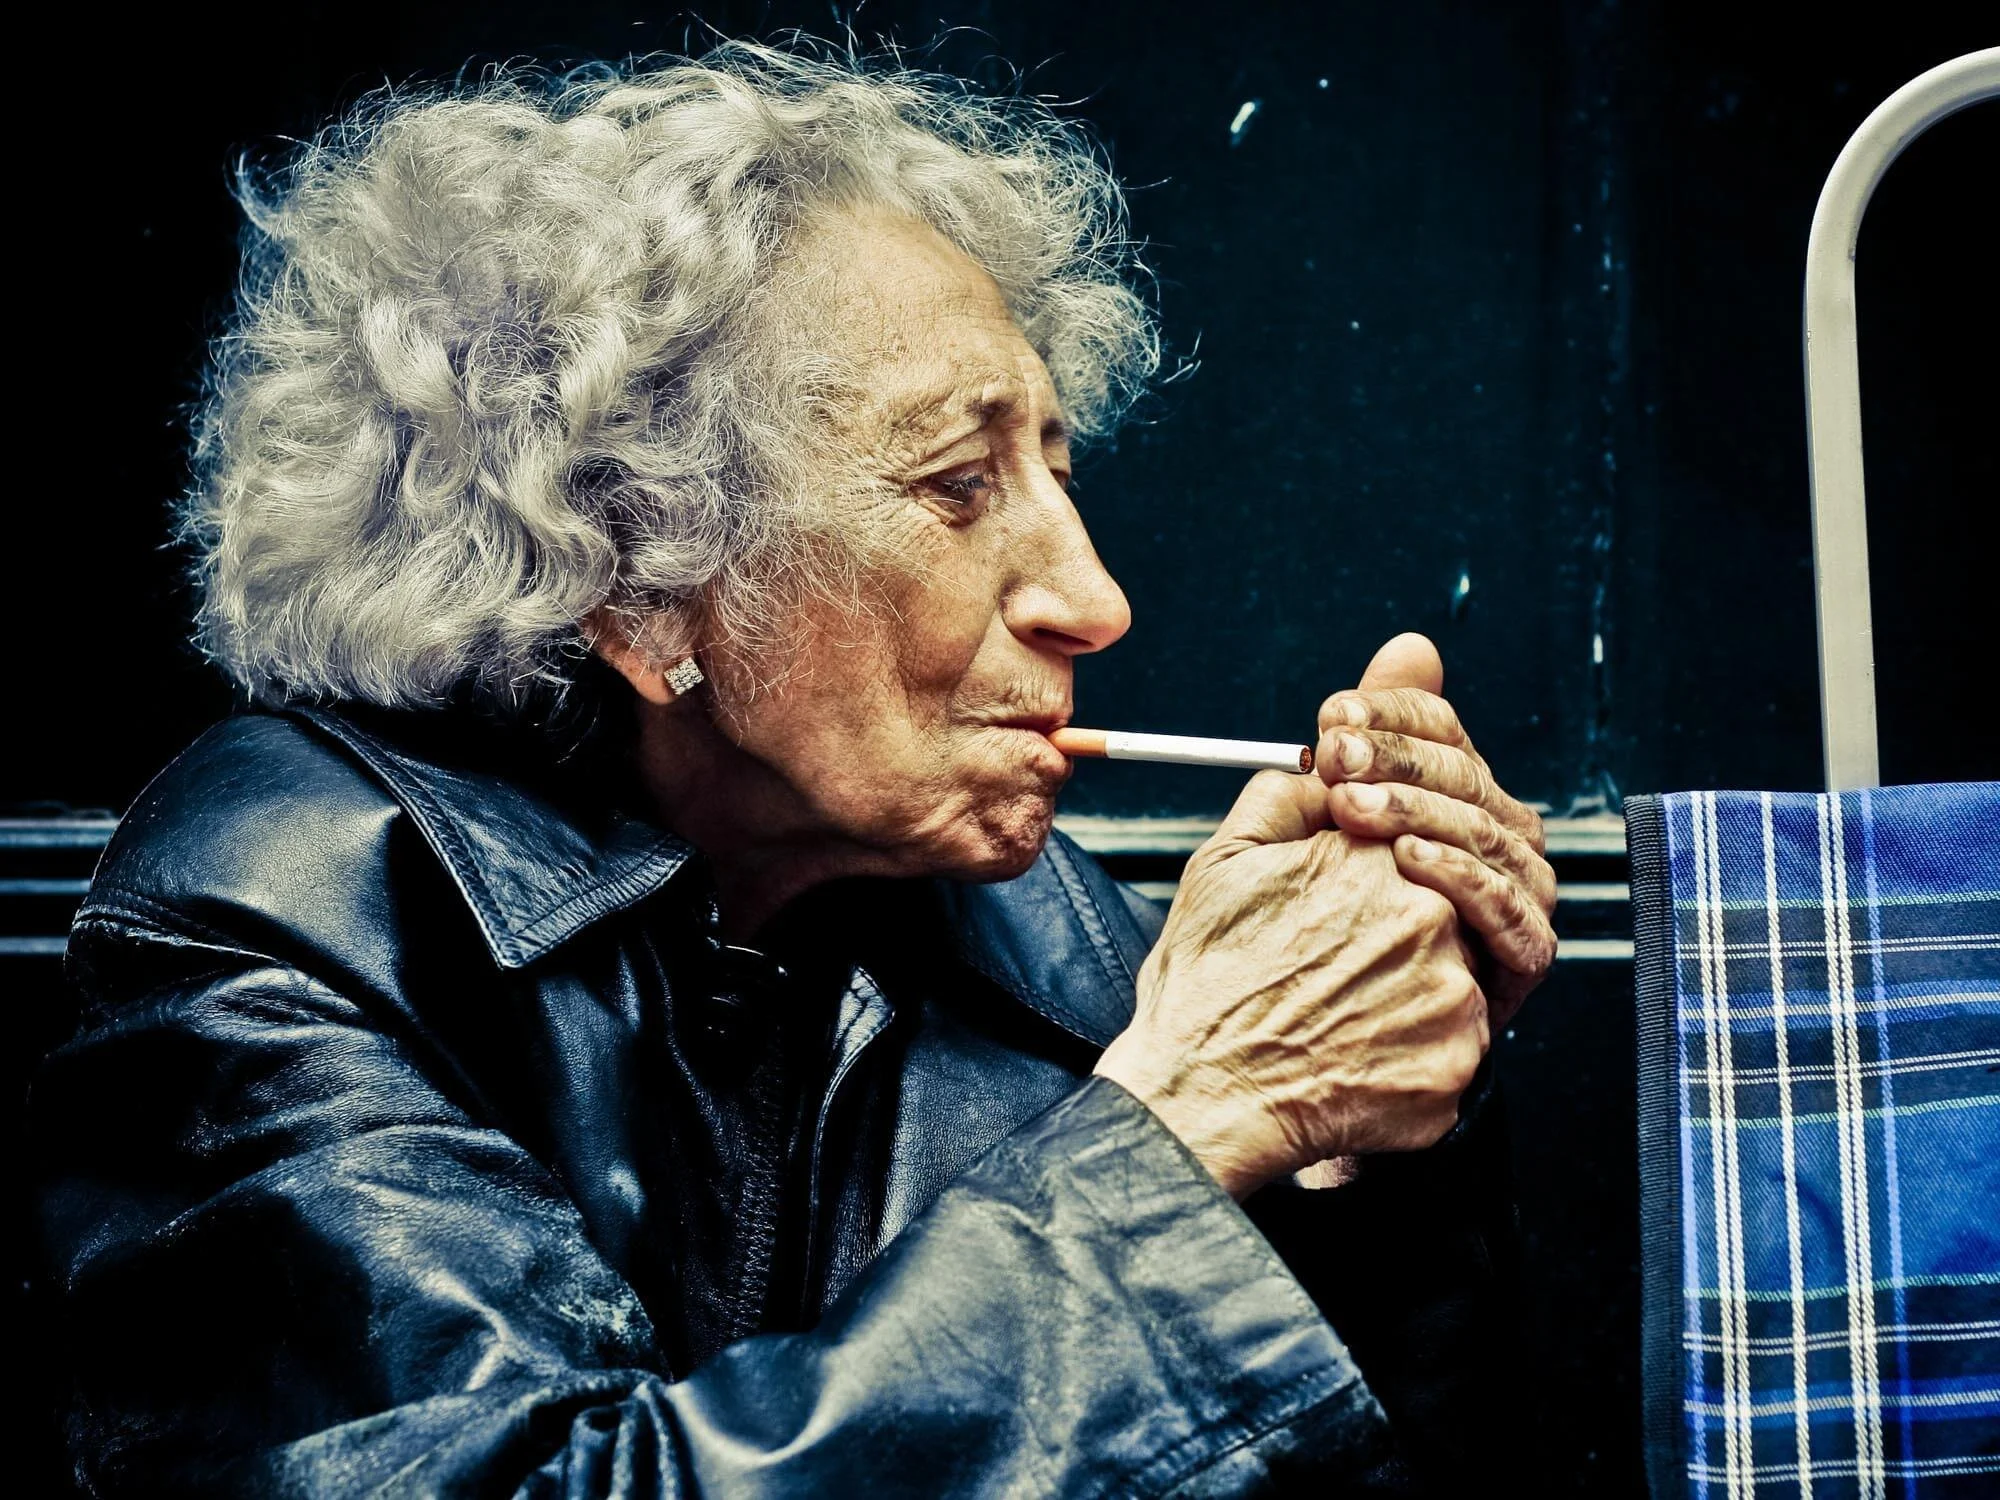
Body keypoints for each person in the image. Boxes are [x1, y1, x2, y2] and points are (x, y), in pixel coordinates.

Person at [32, 39, 1557, 1497]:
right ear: (639, 579)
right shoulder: (286, 913)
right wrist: (1183, 1128)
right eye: (959, 488)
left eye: (1056, 473)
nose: (1094, 602)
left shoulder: (1049, 930)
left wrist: (1358, 1140)